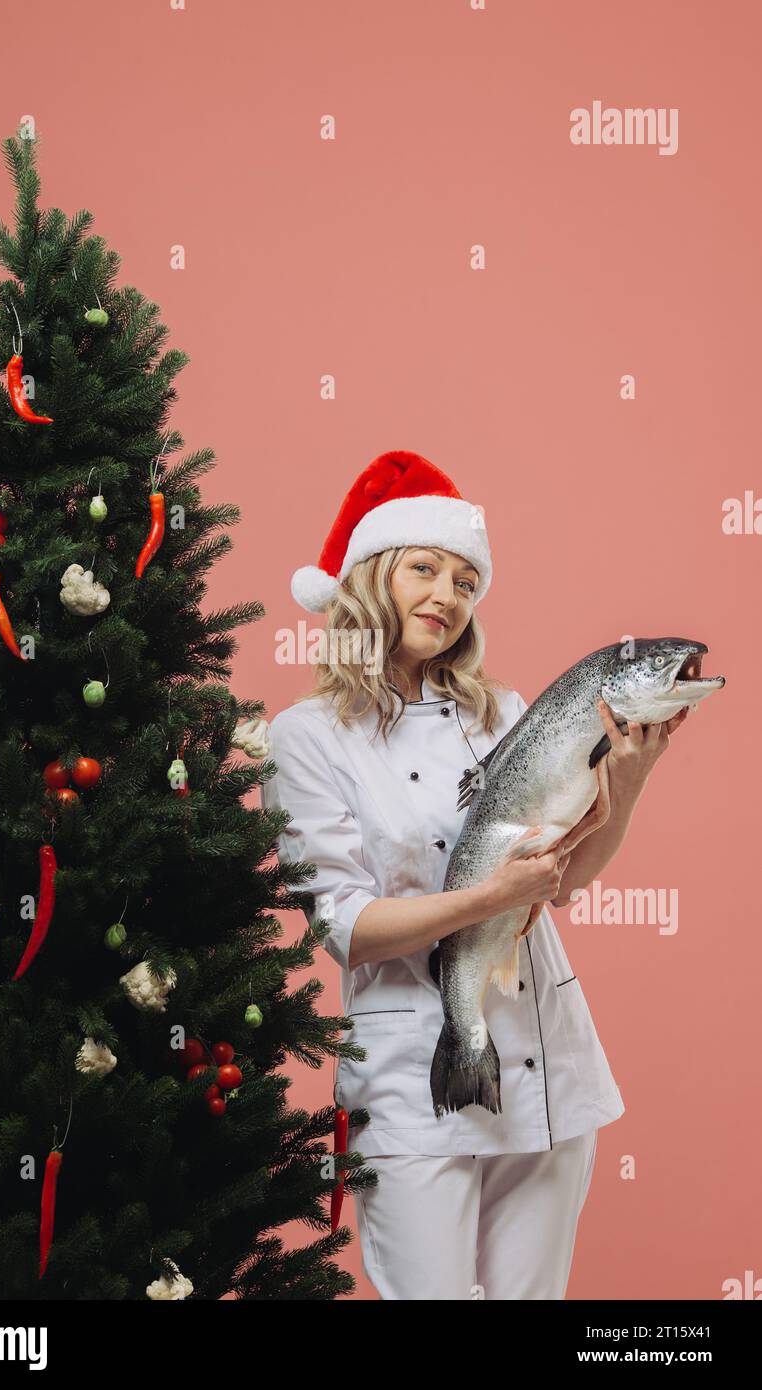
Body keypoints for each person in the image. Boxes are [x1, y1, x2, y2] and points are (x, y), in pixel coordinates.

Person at [260, 449, 687, 1301]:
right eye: (424, 569)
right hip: (415, 1069)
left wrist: (629, 780)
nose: (447, 597)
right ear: (370, 579)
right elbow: (344, 926)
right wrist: (491, 896)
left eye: (465, 581)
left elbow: (559, 880)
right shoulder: (307, 737)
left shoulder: (503, 713)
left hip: (545, 1059)